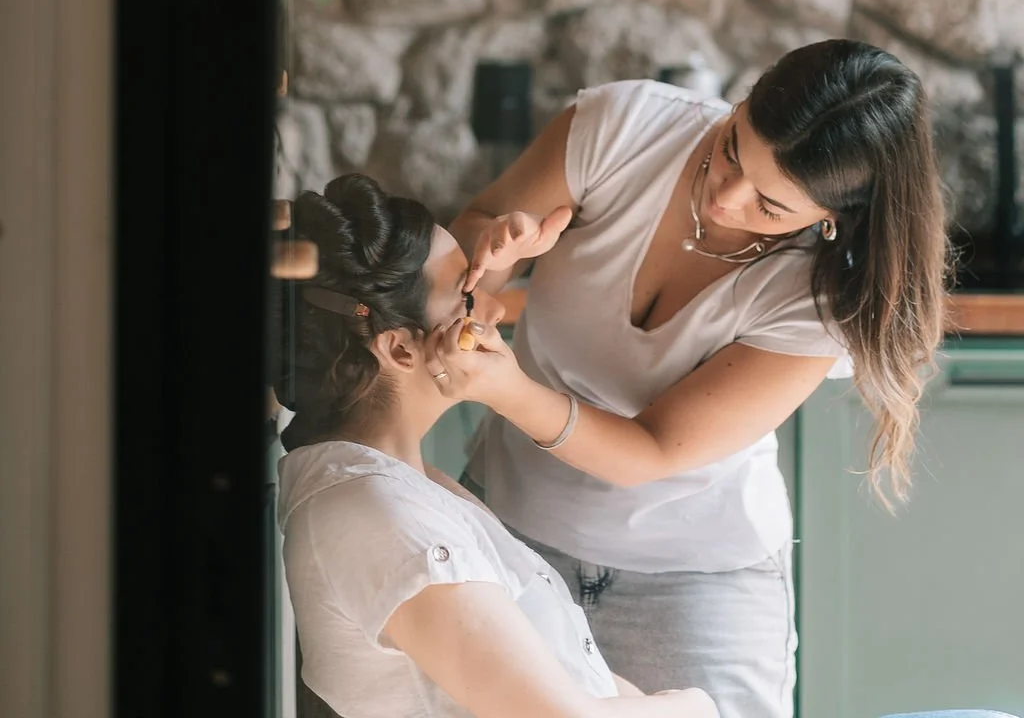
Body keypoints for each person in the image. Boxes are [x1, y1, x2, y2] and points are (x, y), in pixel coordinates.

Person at [438, 40, 950, 718]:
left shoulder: (824, 300)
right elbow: (473, 235)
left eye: (770, 205)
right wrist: (494, 260)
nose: (725, 195)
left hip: (697, 587)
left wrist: (503, 387)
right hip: (510, 536)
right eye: (734, 146)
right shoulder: (621, 127)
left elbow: (648, 451)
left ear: (833, 216)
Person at [274, 172, 718, 718]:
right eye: (466, 294)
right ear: (401, 350)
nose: (493, 311)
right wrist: (696, 705)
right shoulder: (380, 518)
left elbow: (563, 676)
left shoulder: (408, 487)